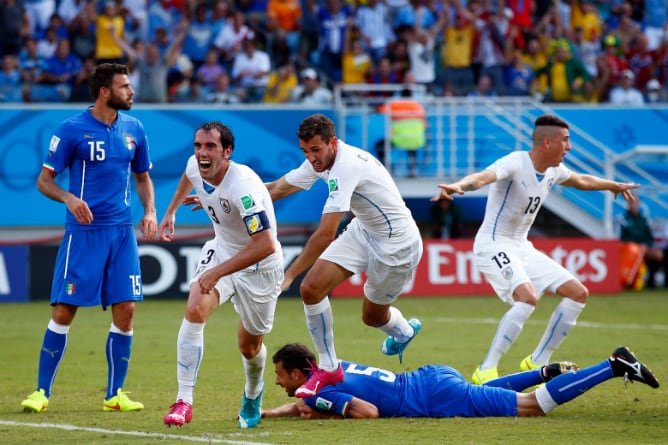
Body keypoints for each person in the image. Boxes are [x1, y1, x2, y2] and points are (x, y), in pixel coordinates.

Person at [431, 114, 640, 385]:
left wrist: (612, 185)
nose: (570, 147)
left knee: (578, 293)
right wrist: (459, 186)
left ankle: (537, 360)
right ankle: (486, 369)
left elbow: (581, 181)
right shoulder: (515, 162)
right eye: (566, 141)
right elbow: (483, 177)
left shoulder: (554, 170)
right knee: (527, 297)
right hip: (493, 245)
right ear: (547, 141)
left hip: (522, 247)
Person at [21, 62, 157, 413]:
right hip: (84, 235)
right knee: (65, 310)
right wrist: (69, 198)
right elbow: (44, 180)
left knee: (126, 309)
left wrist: (151, 211)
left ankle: (115, 394)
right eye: (124, 86)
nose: (131, 91)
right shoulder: (71, 130)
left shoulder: (135, 129)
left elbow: (142, 177)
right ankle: (41, 392)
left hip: (121, 233)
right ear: (104, 92)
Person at [265, 114, 423, 399]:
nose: (311, 158)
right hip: (364, 231)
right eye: (305, 151)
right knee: (311, 289)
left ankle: (403, 332)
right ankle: (328, 367)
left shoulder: (346, 166)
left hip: (397, 246)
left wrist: (288, 274)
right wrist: (224, 198)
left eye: (316, 150)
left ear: (332, 143)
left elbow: (326, 233)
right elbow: (278, 188)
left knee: (372, 317)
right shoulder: (321, 160)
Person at [158, 121, 284, 429]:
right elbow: (187, 179)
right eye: (198, 146)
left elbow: (265, 244)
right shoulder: (195, 165)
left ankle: (253, 393)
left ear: (227, 152)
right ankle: (183, 400)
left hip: (260, 268)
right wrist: (171, 211)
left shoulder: (244, 188)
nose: (202, 153)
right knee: (195, 307)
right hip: (224, 251)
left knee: (249, 346)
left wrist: (217, 272)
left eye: (210, 147)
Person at [262, 342, 659, 420]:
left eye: (280, 374)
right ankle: (545, 372)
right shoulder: (330, 367)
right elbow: (305, 402)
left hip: (435, 397)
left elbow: (367, 412)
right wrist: (271, 411)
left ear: (299, 374)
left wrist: (325, 411)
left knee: (534, 408)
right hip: (433, 377)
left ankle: (613, 365)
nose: (277, 380)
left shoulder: (318, 393)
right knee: (483, 395)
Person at [618, 194, 665, 289]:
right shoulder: (623, 218)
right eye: (631, 202)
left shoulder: (644, 219)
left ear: (639, 203)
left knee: (658, 254)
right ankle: (630, 281)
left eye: (635, 201)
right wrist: (638, 245)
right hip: (629, 247)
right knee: (637, 250)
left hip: (644, 247)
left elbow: (649, 237)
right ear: (628, 203)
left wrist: (648, 246)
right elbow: (622, 237)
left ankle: (651, 280)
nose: (633, 204)